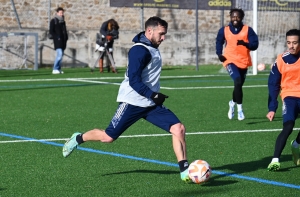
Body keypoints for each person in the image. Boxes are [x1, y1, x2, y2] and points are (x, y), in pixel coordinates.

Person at [62, 16, 191, 183]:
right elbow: (133, 79)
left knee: (178, 129)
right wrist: (152, 94)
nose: (164, 38)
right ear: (149, 31)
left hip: (150, 103)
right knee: (108, 138)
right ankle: (78, 138)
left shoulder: (152, 46)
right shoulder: (139, 50)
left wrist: (152, 97)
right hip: (132, 101)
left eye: (165, 34)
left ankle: (185, 171)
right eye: (161, 34)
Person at [216, 8, 259, 120]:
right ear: (230, 17)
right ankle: (240, 109)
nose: (235, 18)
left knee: (238, 85)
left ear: (241, 18)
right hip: (229, 60)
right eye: (233, 16)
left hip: (243, 61)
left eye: (238, 16)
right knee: (237, 80)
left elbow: (255, 45)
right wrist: (219, 54)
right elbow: (219, 42)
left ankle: (232, 102)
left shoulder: (248, 30)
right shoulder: (224, 30)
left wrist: (245, 44)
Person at [266, 29, 300, 171]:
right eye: (288, 43)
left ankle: (297, 144)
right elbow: (273, 84)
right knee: (288, 126)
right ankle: (275, 160)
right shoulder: (281, 59)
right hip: (289, 96)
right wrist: (272, 107)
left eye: (295, 43)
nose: (291, 46)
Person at [49, 7, 68, 74]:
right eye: (60, 13)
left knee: (61, 55)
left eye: (62, 13)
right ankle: (55, 68)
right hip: (57, 41)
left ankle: (58, 69)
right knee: (59, 54)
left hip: (63, 41)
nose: (61, 14)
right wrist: (57, 37)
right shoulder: (54, 21)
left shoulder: (63, 22)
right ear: (57, 13)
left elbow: (65, 31)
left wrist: (66, 38)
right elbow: (51, 31)